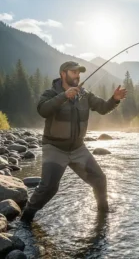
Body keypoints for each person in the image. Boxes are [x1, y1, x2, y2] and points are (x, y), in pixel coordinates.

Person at [20, 61, 127, 222]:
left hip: (78, 149)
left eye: (79, 73)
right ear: (63, 73)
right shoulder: (50, 93)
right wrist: (64, 96)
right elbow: (43, 110)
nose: (77, 75)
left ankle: (103, 216)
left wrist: (115, 99)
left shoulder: (85, 95)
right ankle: (26, 218)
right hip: (54, 148)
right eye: (73, 72)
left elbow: (104, 108)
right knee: (48, 187)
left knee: (100, 179)